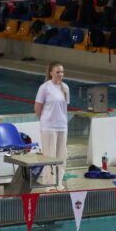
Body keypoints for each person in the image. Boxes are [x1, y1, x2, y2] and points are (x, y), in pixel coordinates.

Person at [35, 62, 69, 190]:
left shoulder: (65, 87)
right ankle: (49, 184)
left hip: (62, 126)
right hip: (49, 127)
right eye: (58, 72)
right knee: (49, 156)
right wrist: (45, 121)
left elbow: (64, 108)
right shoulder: (45, 88)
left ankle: (58, 183)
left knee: (61, 157)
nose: (60, 74)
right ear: (51, 73)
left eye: (62, 72)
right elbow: (37, 108)